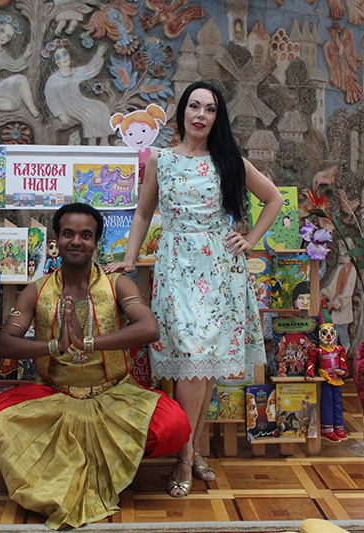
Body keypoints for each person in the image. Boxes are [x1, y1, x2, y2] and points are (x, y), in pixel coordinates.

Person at [105, 81, 284, 497]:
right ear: (182, 111)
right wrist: (130, 258)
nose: (201, 115)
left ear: (217, 118)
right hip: (176, 267)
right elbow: (143, 212)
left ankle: (187, 454)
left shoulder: (229, 160)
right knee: (192, 358)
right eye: (194, 106)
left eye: (210, 109)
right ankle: (190, 452)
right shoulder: (161, 159)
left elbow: (273, 199)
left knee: (204, 361)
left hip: (220, 268)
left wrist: (250, 239)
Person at [0, 203, 190, 530]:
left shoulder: (117, 284)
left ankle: (76, 467)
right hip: (53, 395)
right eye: (68, 234)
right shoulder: (37, 290)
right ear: (56, 240)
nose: (76, 241)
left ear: (96, 242)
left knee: (174, 424)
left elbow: (149, 328)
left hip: (114, 395)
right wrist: (54, 346)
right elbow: (5, 343)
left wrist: (89, 343)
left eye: (86, 235)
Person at [41, 39, 112, 145]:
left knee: (101, 107)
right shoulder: (53, 80)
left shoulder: (75, 72)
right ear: (54, 61)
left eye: (65, 54)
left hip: (80, 101)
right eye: (58, 57)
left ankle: (104, 140)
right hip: (69, 106)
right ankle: (92, 142)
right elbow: (52, 99)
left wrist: (99, 54)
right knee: (89, 114)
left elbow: (90, 69)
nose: (63, 58)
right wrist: (61, 115)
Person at [306, 310, 348, 442]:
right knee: (327, 403)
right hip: (326, 379)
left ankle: (339, 428)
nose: (328, 336)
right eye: (324, 333)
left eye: (331, 333)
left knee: (338, 403)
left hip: (336, 379)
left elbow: (343, 362)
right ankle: (327, 429)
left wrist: (343, 370)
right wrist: (310, 373)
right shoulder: (318, 351)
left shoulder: (339, 350)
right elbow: (311, 362)